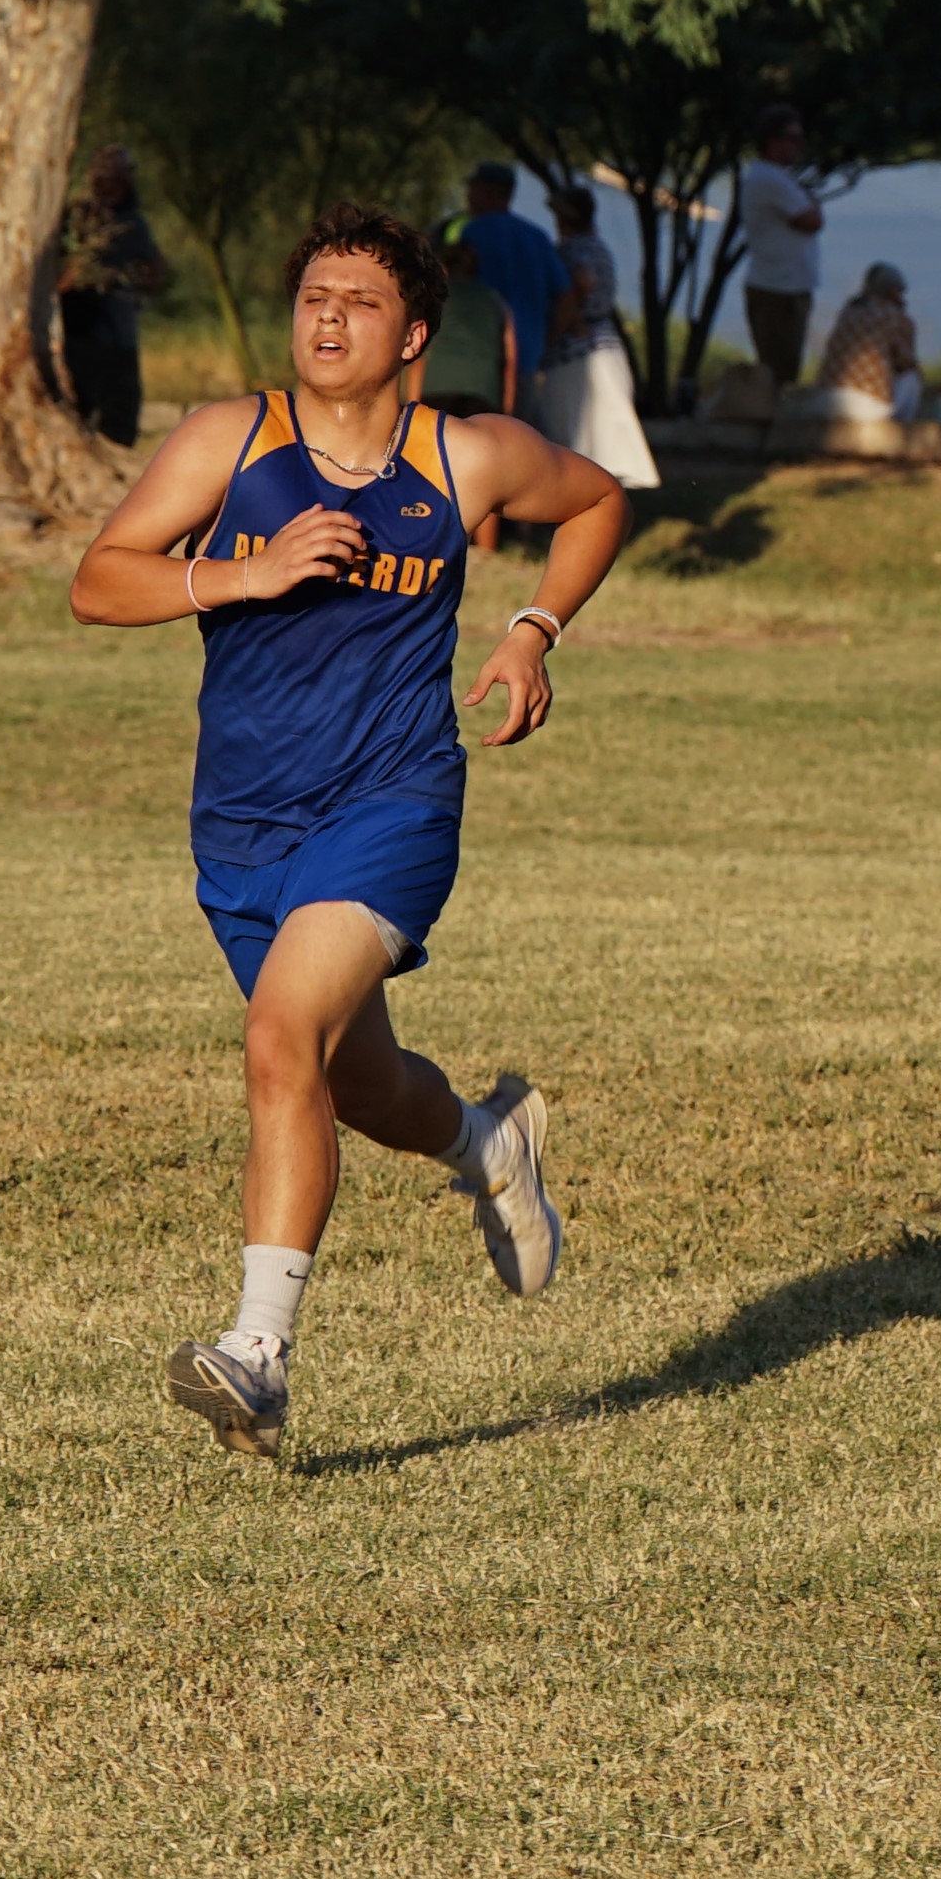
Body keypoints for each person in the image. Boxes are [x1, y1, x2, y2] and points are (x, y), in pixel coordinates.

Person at [69, 201, 629, 1461]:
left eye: (359, 301)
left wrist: (532, 627)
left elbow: (593, 502)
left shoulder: (464, 457)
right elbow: (99, 581)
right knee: (346, 1079)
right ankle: (486, 1137)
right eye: (313, 295)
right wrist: (237, 573)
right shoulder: (229, 438)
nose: (327, 317)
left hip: (392, 802)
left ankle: (257, 1355)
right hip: (242, 828)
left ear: (413, 334)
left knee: (278, 1037)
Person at [534, 184, 661, 488]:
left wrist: (559, 327)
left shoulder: (571, 249)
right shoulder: (598, 246)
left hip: (576, 344)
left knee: (574, 419)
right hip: (604, 339)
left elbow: (582, 281)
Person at [55, 142, 171, 445]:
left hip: (119, 338)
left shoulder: (134, 223)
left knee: (120, 421)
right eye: (104, 177)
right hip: (78, 335)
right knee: (76, 414)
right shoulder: (75, 219)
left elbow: (153, 274)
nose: (111, 185)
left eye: (119, 177)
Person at [415, 220, 515, 552]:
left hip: (438, 385)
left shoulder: (435, 300)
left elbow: (419, 353)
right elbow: (510, 356)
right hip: (482, 388)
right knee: (487, 470)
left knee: (432, 468)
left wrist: (412, 401)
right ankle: (486, 549)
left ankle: (430, 540)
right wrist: (508, 407)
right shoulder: (496, 300)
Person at [452, 161, 566, 413]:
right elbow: (566, 295)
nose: (469, 197)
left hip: (481, 361)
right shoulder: (537, 237)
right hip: (527, 357)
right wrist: (548, 344)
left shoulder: (473, 232)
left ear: (491, 193)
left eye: (474, 189)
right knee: (521, 435)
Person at [737, 106, 824, 387]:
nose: (798, 145)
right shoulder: (771, 179)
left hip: (784, 285)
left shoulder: (775, 179)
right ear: (772, 140)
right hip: (779, 289)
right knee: (780, 373)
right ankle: (773, 426)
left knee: (783, 369)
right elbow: (811, 220)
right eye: (792, 138)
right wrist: (812, 205)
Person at [813, 261, 932, 423]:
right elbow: (906, 363)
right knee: (911, 379)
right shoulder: (896, 318)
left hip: (824, 402)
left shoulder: (848, 312)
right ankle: (901, 428)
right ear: (893, 292)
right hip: (865, 407)